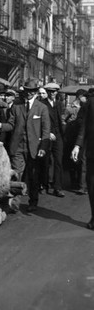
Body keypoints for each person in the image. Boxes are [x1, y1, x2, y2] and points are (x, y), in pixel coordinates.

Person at [0, 78, 50, 212]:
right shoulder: (16, 106)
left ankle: (33, 201)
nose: (29, 94)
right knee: (16, 174)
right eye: (27, 91)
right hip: (18, 146)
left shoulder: (42, 108)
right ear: (24, 91)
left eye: (32, 91)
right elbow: (11, 125)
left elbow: (45, 130)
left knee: (33, 176)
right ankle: (14, 204)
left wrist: (43, 147)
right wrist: (0, 126)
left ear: (36, 92)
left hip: (34, 148)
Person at [72, 93, 94, 229]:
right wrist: (77, 145)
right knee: (92, 186)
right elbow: (84, 127)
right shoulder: (90, 103)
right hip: (93, 151)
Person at [40, 82, 65, 197]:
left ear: (57, 92)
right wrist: (48, 133)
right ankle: (44, 184)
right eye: (50, 91)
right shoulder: (42, 104)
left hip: (58, 135)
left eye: (54, 91)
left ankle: (57, 187)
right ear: (47, 92)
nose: (52, 94)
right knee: (46, 161)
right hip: (47, 135)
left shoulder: (60, 104)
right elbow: (40, 121)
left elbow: (61, 119)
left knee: (58, 161)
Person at [63, 89, 87, 194]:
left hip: (82, 137)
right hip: (71, 136)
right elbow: (62, 120)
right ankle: (74, 181)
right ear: (79, 97)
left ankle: (80, 183)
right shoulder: (70, 108)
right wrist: (69, 126)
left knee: (81, 160)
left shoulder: (86, 107)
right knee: (72, 160)